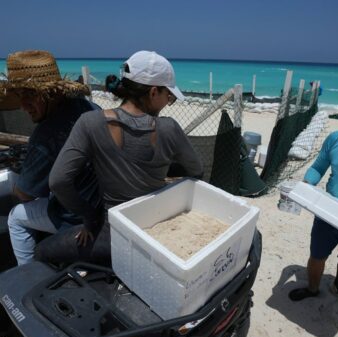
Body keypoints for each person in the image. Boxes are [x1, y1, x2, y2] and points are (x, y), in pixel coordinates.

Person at [34, 50, 203, 266]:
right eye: (168, 96)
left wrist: (90, 216)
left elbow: (58, 181)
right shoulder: (169, 128)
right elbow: (196, 170)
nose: (168, 101)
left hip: (111, 235)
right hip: (155, 232)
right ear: (153, 92)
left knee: (40, 252)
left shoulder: (90, 122)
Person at [1, 50, 101, 265]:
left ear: (52, 93)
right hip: (102, 202)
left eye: (30, 94)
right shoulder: (88, 106)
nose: (23, 105)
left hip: (76, 217)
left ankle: (26, 274)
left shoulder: (46, 135)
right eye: (20, 95)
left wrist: (18, 187)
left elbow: (25, 195)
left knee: (15, 217)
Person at [289, 127, 338, 301]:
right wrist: (305, 186)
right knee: (316, 257)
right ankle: (312, 289)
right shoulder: (336, 138)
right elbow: (318, 167)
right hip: (328, 213)